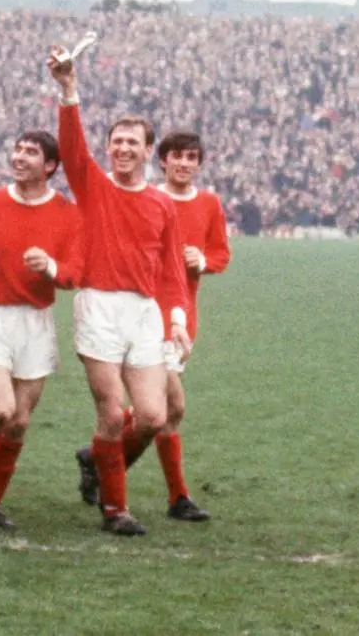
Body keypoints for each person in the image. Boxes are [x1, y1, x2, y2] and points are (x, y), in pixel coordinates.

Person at [47, 45, 191, 537]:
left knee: (151, 416)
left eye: (133, 142)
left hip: (145, 314)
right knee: (112, 413)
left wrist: (177, 322)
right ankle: (116, 510)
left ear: (150, 151)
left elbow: (171, 270)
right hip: (99, 306)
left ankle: (98, 464)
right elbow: (70, 149)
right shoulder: (93, 186)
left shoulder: (161, 205)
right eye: (117, 141)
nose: (124, 149)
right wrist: (69, 91)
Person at [0, 130, 82, 529]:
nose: (20, 157)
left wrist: (52, 267)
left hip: (35, 320)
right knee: (2, 410)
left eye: (31, 152)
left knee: (20, 421)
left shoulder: (67, 212)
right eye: (18, 149)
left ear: (51, 166)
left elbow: (76, 272)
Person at [148, 130, 231, 519]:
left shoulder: (210, 204)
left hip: (185, 313)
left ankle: (98, 457)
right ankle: (178, 497)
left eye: (192, 157)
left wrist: (202, 260)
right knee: (172, 406)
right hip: (149, 312)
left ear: (199, 164)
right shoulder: (148, 198)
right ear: (163, 160)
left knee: (159, 408)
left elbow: (220, 254)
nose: (184, 163)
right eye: (177, 156)